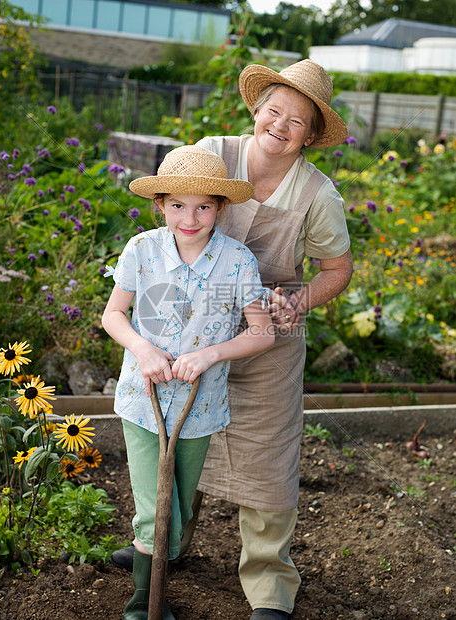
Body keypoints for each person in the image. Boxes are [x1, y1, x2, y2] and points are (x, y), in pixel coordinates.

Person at [111, 59, 354, 619]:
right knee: (177, 431)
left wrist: (296, 301)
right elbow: (171, 226)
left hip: (264, 330)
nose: (281, 125)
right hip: (188, 325)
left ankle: (268, 585)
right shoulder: (211, 153)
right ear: (257, 109)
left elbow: (336, 269)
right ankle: (162, 546)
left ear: (312, 135)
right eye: (274, 110)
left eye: (298, 121)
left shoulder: (318, 194)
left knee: (267, 460)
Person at [102, 144, 275, 619]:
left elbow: (262, 332)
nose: (190, 217)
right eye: (177, 205)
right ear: (160, 204)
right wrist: (143, 349)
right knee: (152, 510)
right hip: (145, 398)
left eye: (203, 206)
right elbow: (113, 314)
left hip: (198, 407)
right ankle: (143, 605)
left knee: (176, 514)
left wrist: (209, 355)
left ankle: (162, 556)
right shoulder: (143, 250)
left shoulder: (237, 262)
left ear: (221, 207)